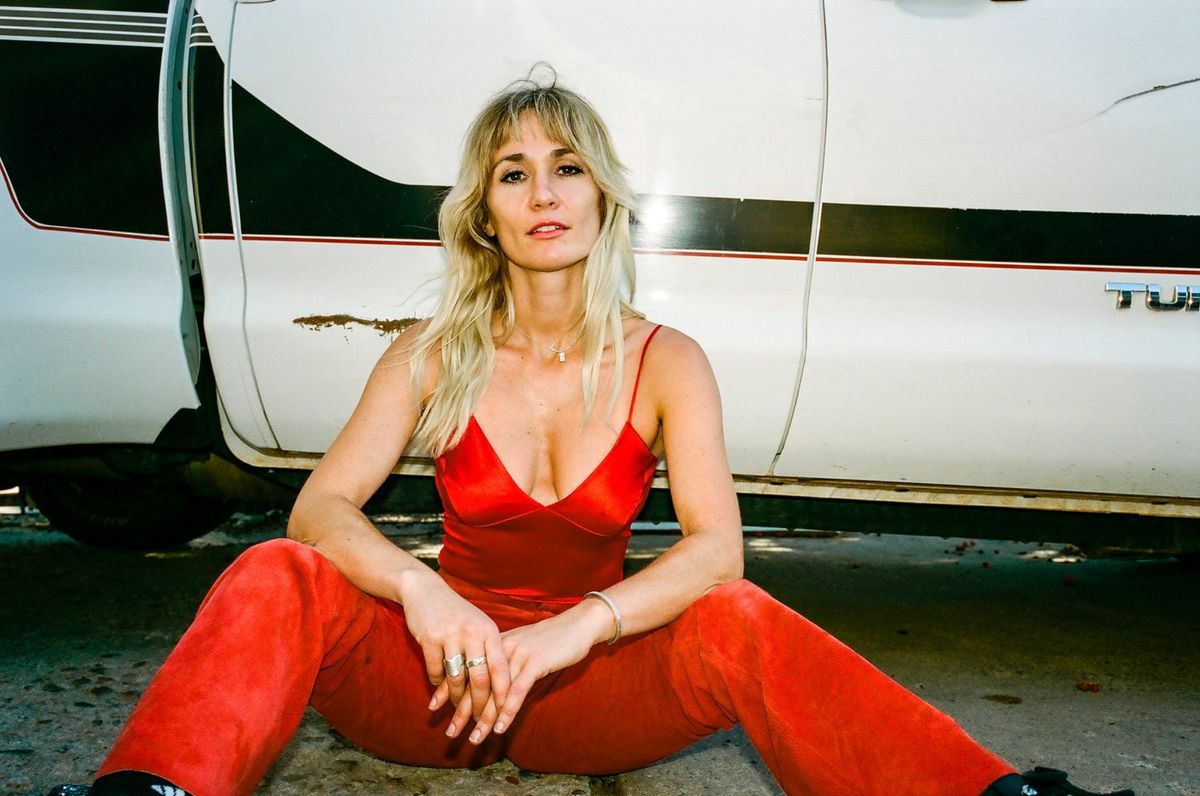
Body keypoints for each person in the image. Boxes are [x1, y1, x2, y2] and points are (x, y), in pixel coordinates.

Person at [52, 75, 1133, 796]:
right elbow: (319, 508)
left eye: (567, 166)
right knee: (276, 570)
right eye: (512, 172)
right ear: (484, 213)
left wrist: (579, 630)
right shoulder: (427, 354)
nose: (543, 192)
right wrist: (423, 592)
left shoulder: (669, 360)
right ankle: (150, 789)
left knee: (738, 617)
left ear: (605, 196)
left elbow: (716, 550)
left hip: (584, 691)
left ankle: (993, 794)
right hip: (429, 690)